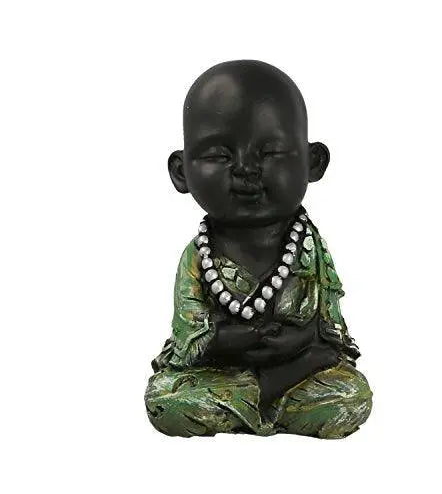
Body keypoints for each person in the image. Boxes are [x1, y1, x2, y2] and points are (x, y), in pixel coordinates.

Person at [144, 60, 372, 438]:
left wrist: (301, 342)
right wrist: (234, 340)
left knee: (351, 395)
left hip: (299, 369)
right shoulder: (197, 257)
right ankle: (266, 396)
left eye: (270, 153)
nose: (246, 169)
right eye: (220, 156)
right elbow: (188, 335)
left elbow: (330, 327)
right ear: (181, 172)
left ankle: (258, 399)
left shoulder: (310, 249)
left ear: (313, 162)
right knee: (165, 399)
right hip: (220, 372)